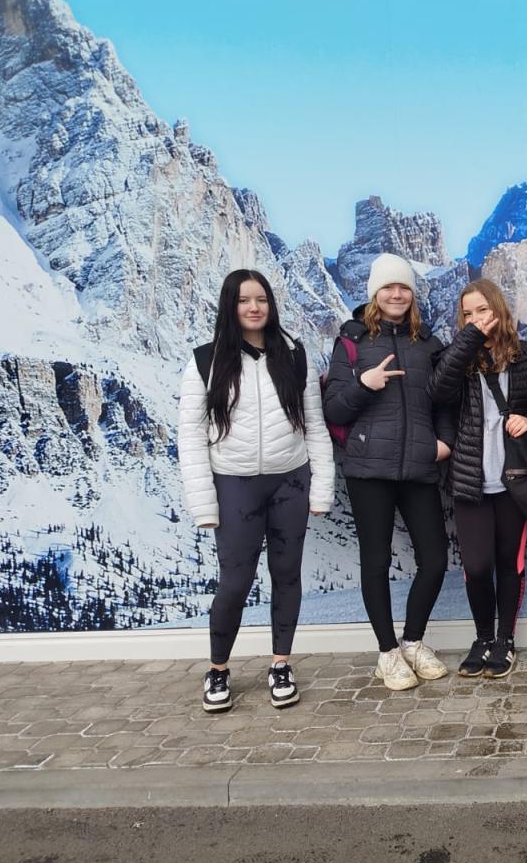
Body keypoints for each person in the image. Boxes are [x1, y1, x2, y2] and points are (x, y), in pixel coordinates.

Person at [178, 269, 335, 713]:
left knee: (287, 575)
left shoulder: (294, 356)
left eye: (261, 299)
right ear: (230, 306)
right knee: (235, 582)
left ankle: (281, 664)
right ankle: (218, 669)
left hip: (290, 481)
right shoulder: (205, 361)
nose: (254, 307)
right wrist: (204, 505)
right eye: (244, 300)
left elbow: (314, 426)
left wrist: (320, 489)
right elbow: (190, 436)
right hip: (234, 484)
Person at [322, 253, 456, 690]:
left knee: (434, 559)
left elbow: (444, 401)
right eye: (388, 287)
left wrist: (444, 441)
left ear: (412, 294)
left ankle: (413, 641)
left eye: (404, 288)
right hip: (368, 470)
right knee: (376, 562)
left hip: (419, 465)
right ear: (374, 293)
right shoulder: (352, 342)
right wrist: (364, 385)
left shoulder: (428, 344)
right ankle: (387, 652)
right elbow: (333, 408)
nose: (396, 294)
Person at [428, 279, 527, 677]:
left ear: (498, 310)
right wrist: (468, 340)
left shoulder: (526, 356)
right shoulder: (456, 357)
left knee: (509, 563)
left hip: (515, 480)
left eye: (482, 310)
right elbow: (438, 391)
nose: (476, 319)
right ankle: (482, 637)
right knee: (477, 566)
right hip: (471, 480)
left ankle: (504, 640)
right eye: (467, 314)